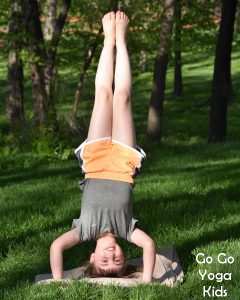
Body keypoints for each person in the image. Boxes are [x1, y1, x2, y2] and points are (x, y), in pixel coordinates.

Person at [50, 10, 156, 283]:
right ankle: (121, 40)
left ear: (92, 257)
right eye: (118, 262)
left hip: (95, 164)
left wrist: (59, 280)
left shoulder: (83, 231)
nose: (112, 257)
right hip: (122, 164)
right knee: (121, 97)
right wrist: (145, 281)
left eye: (104, 262)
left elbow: (56, 247)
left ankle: (108, 41)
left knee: (103, 96)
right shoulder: (127, 231)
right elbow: (148, 246)